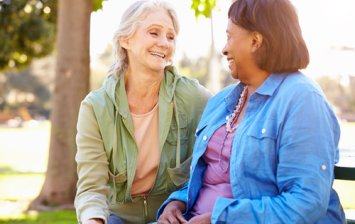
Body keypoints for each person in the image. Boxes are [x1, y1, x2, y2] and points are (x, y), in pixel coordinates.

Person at [157, 0, 346, 223]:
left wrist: (221, 218)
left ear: (255, 41)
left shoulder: (302, 100)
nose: (224, 49)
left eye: (229, 37)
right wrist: (176, 203)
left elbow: (304, 203)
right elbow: (210, 176)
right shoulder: (221, 102)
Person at [74, 0, 211, 223]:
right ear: (125, 40)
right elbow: (91, 187)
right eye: (154, 33)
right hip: (118, 215)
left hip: (171, 214)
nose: (164, 43)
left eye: (170, 36)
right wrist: (94, 220)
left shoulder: (194, 98)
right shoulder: (95, 107)